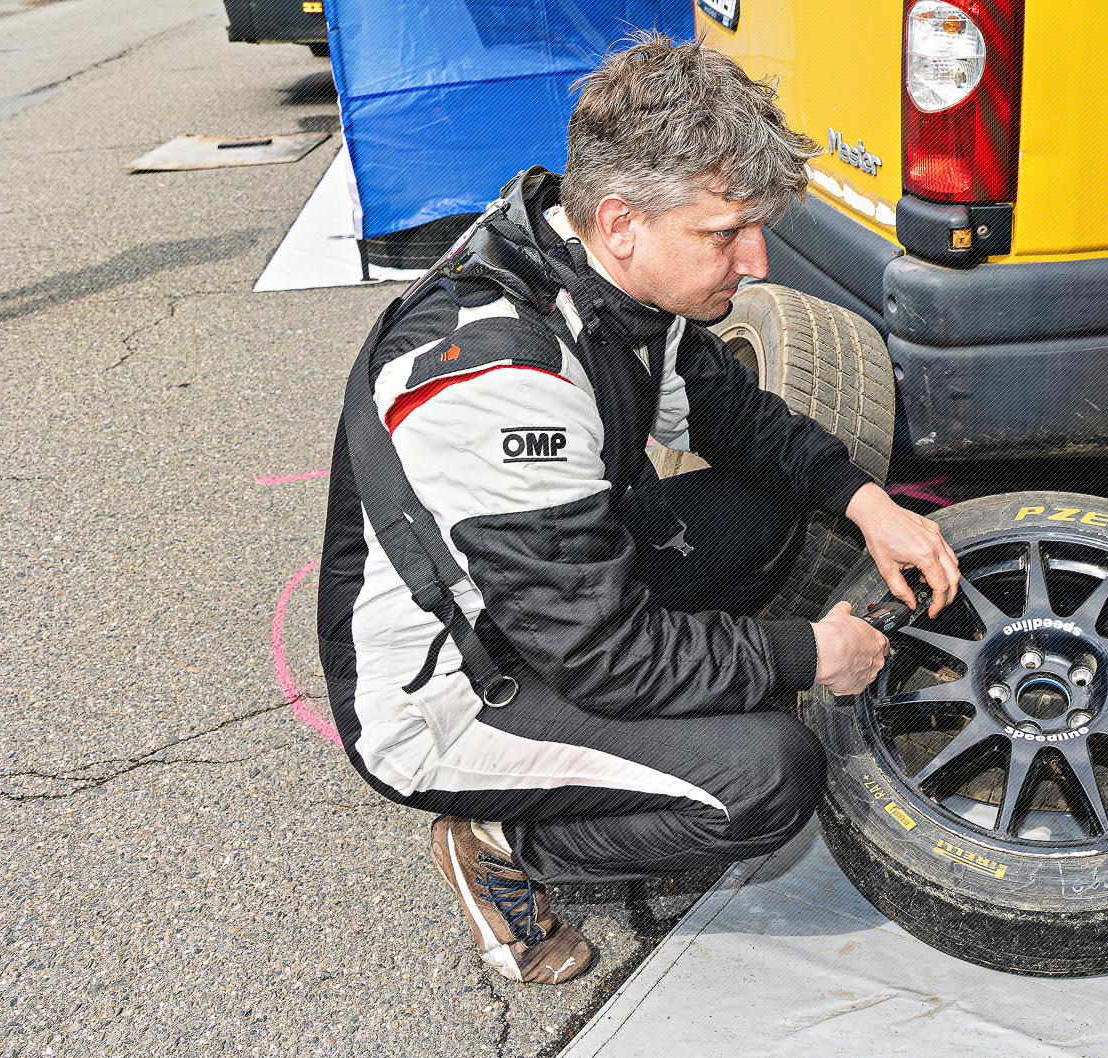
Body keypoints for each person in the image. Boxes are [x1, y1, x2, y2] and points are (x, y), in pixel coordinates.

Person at [316, 33, 960, 987]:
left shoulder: (596, 267)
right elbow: (604, 654)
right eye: (726, 234)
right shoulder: (504, 379)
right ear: (621, 220)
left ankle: (663, 726)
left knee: (764, 510)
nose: (756, 261)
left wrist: (867, 505)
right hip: (448, 688)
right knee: (768, 774)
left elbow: (731, 415)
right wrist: (804, 654)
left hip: (542, 599)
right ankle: (500, 844)